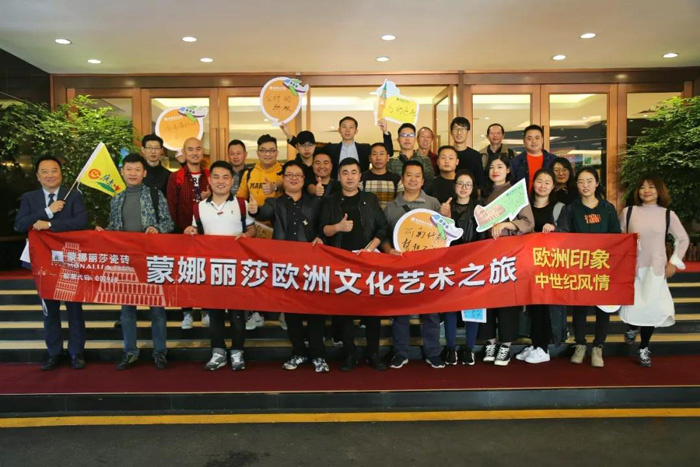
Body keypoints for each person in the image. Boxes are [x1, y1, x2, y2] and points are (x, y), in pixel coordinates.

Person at [248, 160, 330, 373]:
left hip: (312, 265)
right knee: (292, 313)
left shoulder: (315, 202)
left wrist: (321, 237)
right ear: (283, 179)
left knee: (316, 312)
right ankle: (299, 352)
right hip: (286, 267)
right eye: (289, 175)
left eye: (298, 175)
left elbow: (324, 225)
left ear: (303, 179)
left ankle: (318, 355)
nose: (293, 178)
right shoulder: (275, 203)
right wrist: (255, 209)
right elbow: (263, 213)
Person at [97, 153, 174, 370]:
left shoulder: (155, 195)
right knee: (127, 311)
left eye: (137, 170)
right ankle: (130, 352)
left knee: (157, 309)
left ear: (144, 173)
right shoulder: (117, 199)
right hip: (126, 261)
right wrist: (103, 233)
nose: (133, 173)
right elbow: (114, 228)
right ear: (122, 172)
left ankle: (160, 352)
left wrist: (157, 229)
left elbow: (169, 223)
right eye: (129, 169)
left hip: (152, 260)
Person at [14, 155, 88, 370]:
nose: (50, 175)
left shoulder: (73, 195)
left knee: (74, 309)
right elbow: (20, 224)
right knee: (50, 310)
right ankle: (54, 352)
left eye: (54, 170)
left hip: (69, 261)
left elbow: (81, 221)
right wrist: (48, 211)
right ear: (38, 177)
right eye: (44, 172)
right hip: (43, 264)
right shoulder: (29, 198)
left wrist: (49, 225)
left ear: (61, 174)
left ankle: (76, 352)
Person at [184, 161, 256, 371]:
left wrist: (247, 235)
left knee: (237, 313)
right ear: (210, 180)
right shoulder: (199, 207)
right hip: (212, 268)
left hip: (237, 268)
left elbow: (252, 229)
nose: (221, 181)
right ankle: (218, 351)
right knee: (214, 313)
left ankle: (237, 351)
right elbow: (195, 231)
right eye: (216, 177)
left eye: (226, 177)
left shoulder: (241, 204)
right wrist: (190, 231)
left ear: (232, 181)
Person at [319, 158, 388, 372]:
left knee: (373, 311)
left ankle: (373, 354)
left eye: (353, 172)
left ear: (360, 176)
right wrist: (338, 227)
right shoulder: (330, 201)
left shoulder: (370, 199)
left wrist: (370, 249)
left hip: (367, 262)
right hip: (341, 262)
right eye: (345, 172)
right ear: (339, 177)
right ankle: (350, 353)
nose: (349, 177)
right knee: (345, 311)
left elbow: (382, 228)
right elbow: (322, 230)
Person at [619, 176, 689, 367]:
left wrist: (673, 262)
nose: (646, 191)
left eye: (651, 187)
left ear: (659, 191)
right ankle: (632, 327)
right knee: (633, 306)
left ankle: (643, 348)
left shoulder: (667, 215)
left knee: (650, 309)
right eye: (642, 187)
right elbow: (619, 239)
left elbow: (683, 239)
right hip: (632, 269)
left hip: (655, 269)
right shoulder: (628, 212)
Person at [557, 167, 621, 368]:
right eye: (581, 181)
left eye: (589, 181)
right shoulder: (570, 209)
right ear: (576, 185)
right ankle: (580, 344)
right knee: (580, 307)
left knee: (603, 308)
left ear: (596, 183)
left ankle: (598, 347)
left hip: (602, 265)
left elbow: (616, 237)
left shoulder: (607, 208)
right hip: (579, 266)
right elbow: (563, 235)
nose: (585, 185)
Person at [383, 160, 444, 369]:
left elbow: (444, 234)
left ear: (423, 180)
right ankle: (400, 353)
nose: (413, 179)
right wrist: (389, 250)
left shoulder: (433, 204)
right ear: (402, 179)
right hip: (401, 268)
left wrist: (447, 217)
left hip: (428, 268)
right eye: (409, 175)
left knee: (431, 312)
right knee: (400, 312)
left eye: (417, 176)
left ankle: (433, 352)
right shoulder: (391, 207)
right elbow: (383, 235)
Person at [478, 155, 534, 366]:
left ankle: (506, 345)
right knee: (486, 300)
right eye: (492, 167)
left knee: (507, 301)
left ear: (508, 170)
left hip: (509, 255)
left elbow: (529, 222)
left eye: (500, 166)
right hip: (486, 255)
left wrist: (506, 225)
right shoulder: (483, 194)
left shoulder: (516, 194)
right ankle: (490, 342)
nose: (495, 170)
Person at [515, 169, 566, 365]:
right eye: (539, 181)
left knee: (544, 306)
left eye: (547, 182)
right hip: (526, 264)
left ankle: (544, 348)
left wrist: (555, 229)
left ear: (553, 186)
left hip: (548, 266)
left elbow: (568, 234)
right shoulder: (524, 207)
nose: (542, 186)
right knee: (532, 306)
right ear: (533, 183)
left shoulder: (559, 208)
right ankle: (535, 344)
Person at [235, 134, 284, 331]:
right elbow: (240, 199)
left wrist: (276, 186)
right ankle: (257, 312)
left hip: (279, 230)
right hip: (255, 230)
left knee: (280, 273)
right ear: (257, 152)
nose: (267, 154)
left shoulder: (284, 172)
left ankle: (283, 311)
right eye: (263, 150)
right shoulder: (249, 173)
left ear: (277, 152)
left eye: (271, 150)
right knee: (256, 272)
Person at [438, 170, 481, 366]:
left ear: (473, 188)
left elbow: (484, 237)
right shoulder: (445, 207)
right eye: (460, 184)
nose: (463, 188)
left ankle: (469, 348)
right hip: (450, 264)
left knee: (473, 306)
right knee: (450, 306)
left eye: (468, 184)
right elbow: (440, 237)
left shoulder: (480, 209)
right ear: (454, 186)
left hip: (474, 264)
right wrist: (445, 217)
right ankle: (451, 348)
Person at [167, 137, 211, 330]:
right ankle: (186, 313)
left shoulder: (210, 175)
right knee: (185, 274)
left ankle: (206, 311)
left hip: (207, 236)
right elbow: (171, 208)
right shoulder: (175, 177)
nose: (194, 153)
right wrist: (182, 229)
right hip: (183, 235)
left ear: (203, 151)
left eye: (198, 149)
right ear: (184, 153)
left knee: (206, 273)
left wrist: (209, 198)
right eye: (190, 149)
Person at [314, 116, 394, 178]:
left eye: (351, 127)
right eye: (344, 127)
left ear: (356, 131)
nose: (347, 130)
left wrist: (385, 132)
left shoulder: (365, 148)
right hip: (337, 188)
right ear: (339, 130)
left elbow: (389, 152)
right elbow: (312, 154)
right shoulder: (331, 148)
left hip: (360, 187)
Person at [386, 123, 435, 192]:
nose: (407, 139)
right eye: (403, 135)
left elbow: (430, 184)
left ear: (415, 139)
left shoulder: (425, 160)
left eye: (411, 135)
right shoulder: (391, 162)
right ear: (398, 139)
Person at [510, 125, 557, 192]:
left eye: (537, 138)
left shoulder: (553, 160)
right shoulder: (515, 162)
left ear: (542, 140)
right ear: (524, 141)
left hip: (549, 198)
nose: (534, 141)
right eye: (529, 138)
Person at [360, 142, 403, 210]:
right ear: (370, 158)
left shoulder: (396, 179)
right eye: (374, 154)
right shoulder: (361, 178)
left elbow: (401, 201)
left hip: (390, 216)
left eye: (381, 154)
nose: (378, 158)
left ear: (388, 157)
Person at [451, 117, 486, 194]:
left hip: (470, 196)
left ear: (468, 132)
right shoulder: (447, 153)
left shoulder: (475, 155)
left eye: (463, 129)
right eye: (456, 128)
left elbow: (479, 182)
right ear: (451, 132)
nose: (459, 132)